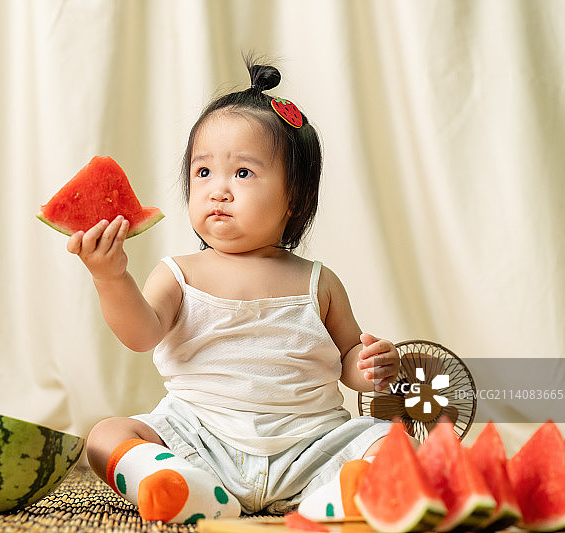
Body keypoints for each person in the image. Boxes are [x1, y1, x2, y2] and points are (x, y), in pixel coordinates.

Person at [65, 57, 401, 524]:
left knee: (391, 439)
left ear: (296, 197)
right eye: (203, 173)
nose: (218, 190)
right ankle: (178, 484)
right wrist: (110, 277)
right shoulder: (177, 273)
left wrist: (370, 367)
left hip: (311, 444)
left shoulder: (318, 281)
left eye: (242, 173)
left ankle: (340, 495)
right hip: (201, 440)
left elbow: (347, 359)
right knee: (106, 434)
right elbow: (140, 334)